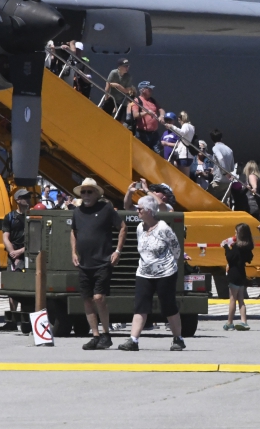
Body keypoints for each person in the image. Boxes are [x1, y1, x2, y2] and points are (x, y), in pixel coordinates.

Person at [117, 195, 185, 351]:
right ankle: (133, 340)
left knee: (168, 306)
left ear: (149, 211)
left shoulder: (163, 228)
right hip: (144, 272)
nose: (137, 211)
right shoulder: (140, 227)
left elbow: (176, 249)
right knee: (140, 306)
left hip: (165, 273)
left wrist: (168, 264)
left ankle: (178, 339)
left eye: (140, 209)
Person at [71, 178, 126, 350]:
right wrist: (73, 252)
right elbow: (73, 231)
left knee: (99, 298)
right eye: (83, 192)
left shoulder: (106, 209)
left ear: (96, 194)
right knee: (87, 299)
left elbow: (123, 227)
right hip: (84, 262)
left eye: (89, 191)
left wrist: (117, 251)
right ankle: (95, 335)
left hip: (103, 260)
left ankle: (106, 333)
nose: (86, 195)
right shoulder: (77, 212)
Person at [0, 188, 31, 331]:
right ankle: (12, 319)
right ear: (17, 200)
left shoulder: (33, 216)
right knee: (12, 288)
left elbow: (36, 239)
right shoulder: (10, 217)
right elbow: (6, 236)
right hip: (14, 255)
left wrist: (20, 252)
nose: (28, 199)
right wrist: (13, 253)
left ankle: (25, 319)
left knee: (26, 288)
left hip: (28, 255)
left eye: (29, 196)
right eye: (24, 197)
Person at [221, 223, 254, 331]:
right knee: (241, 299)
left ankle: (229, 322)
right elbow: (249, 258)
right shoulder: (247, 247)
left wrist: (226, 247)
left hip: (234, 274)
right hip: (242, 274)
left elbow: (230, 258)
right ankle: (244, 321)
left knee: (232, 299)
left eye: (236, 232)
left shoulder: (236, 247)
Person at [130, 81, 165, 150]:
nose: (151, 91)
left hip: (154, 134)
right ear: (142, 90)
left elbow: (161, 109)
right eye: (149, 89)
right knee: (141, 153)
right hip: (142, 134)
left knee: (156, 154)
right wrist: (146, 112)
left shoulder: (152, 100)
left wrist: (162, 116)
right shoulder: (137, 101)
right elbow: (135, 115)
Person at [207, 129, 236, 201]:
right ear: (221, 138)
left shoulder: (215, 148)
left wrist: (224, 172)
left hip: (218, 181)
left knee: (207, 198)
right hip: (227, 183)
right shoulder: (229, 149)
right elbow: (232, 167)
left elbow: (220, 158)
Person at [166, 111, 196, 176]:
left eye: (178, 120)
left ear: (180, 119)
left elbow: (182, 132)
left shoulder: (185, 125)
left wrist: (172, 126)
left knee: (183, 177)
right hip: (188, 155)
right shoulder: (192, 127)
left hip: (184, 155)